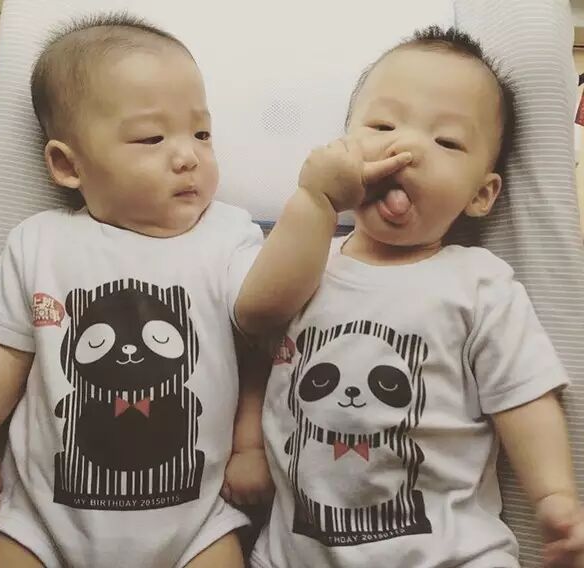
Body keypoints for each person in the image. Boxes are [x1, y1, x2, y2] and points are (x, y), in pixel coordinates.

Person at [236, 26, 584, 567]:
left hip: (452, 553)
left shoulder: (478, 284)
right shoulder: (306, 262)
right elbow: (255, 322)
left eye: (446, 142)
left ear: (481, 194)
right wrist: (315, 198)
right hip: (296, 553)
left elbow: (523, 394)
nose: (406, 148)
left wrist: (554, 494)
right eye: (382, 126)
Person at [0, 13, 272, 568]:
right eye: (151, 138)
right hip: (40, 522)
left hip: (196, 524)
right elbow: (0, 349)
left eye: (202, 133)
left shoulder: (229, 235)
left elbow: (257, 345)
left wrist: (249, 446)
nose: (188, 155)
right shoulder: (40, 243)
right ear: (68, 165)